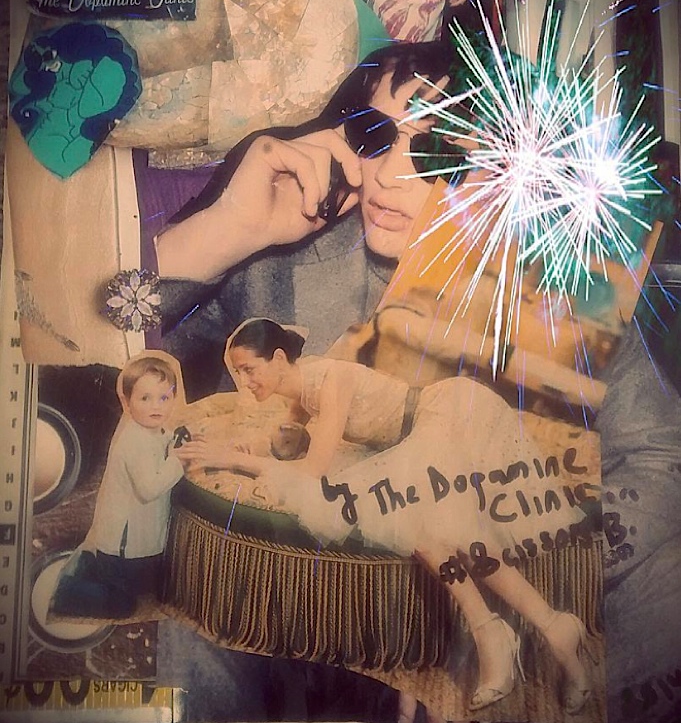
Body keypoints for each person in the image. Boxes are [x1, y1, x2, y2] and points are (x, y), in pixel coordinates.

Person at [176, 318, 597, 714]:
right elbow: (284, 444)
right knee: (428, 529)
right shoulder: (301, 392)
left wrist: (233, 459)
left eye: (249, 370)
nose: (245, 382)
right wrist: (240, 449)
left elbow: (313, 471)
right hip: (418, 434)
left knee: (439, 524)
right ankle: (528, 627)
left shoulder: (332, 378)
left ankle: (513, 630)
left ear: (280, 358)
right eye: (238, 373)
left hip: (452, 411)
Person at [135, 38, 470, 400]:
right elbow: (121, 362)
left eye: (435, 153)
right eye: (374, 134)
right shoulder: (278, 264)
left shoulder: (508, 321)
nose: (388, 175)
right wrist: (231, 230)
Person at [53, 355, 184, 619]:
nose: (156, 406)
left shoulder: (154, 431)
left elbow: (164, 441)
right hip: (121, 549)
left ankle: (94, 571)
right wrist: (179, 460)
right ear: (126, 402)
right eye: (145, 398)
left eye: (164, 398)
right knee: (123, 606)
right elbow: (149, 488)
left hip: (143, 542)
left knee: (152, 587)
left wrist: (178, 442)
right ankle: (69, 593)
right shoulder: (132, 440)